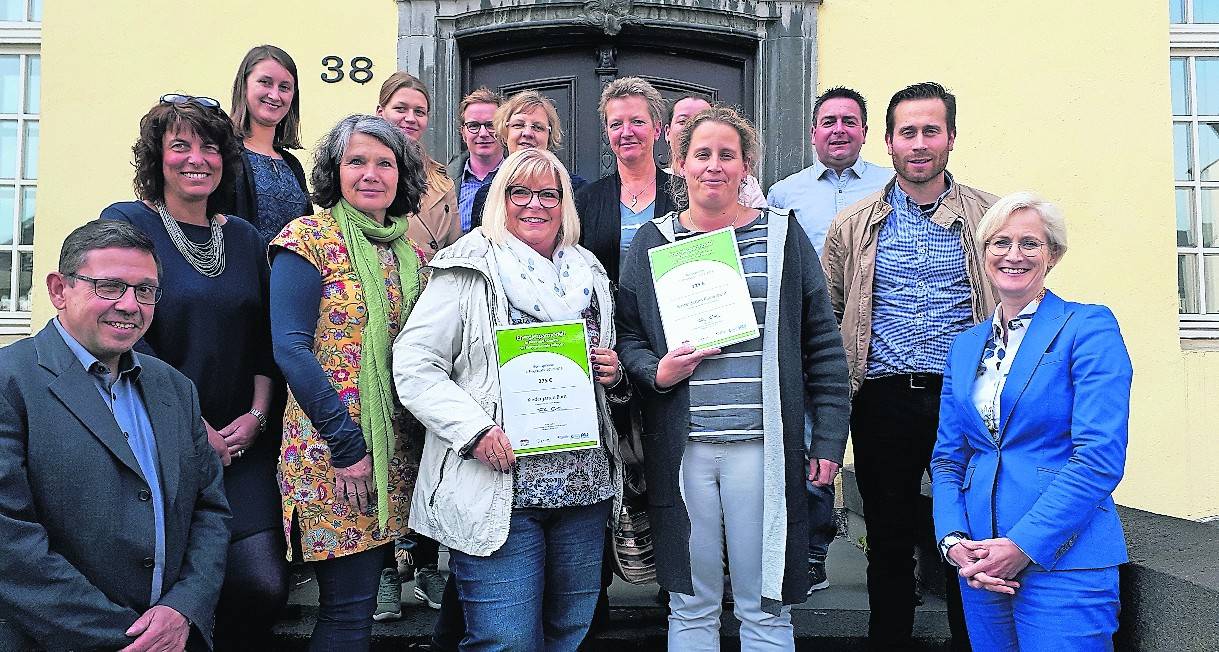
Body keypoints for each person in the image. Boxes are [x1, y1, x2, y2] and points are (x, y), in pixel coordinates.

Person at [615, 106, 850, 650]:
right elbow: (628, 334)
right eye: (702, 155)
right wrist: (657, 370)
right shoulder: (652, 242)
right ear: (679, 164)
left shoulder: (783, 237)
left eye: (728, 155)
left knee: (764, 600)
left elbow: (821, 342)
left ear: (747, 166)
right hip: (685, 448)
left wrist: (830, 437)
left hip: (763, 447)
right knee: (690, 603)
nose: (714, 166)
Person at [393, 147, 627, 651]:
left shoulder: (588, 272)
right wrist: (472, 432)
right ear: (501, 198)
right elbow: (414, 366)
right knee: (506, 642)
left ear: (566, 203)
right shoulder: (468, 267)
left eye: (550, 193)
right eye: (520, 192)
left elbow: (606, 366)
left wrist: (612, 371)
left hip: (583, 490)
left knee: (568, 633)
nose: (535, 205)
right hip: (500, 489)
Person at [100, 94, 286, 649]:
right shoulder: (128, 224)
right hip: (154, 443)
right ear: (157, 157)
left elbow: (262, 341)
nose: (195, 158)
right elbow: (127, 339)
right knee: (158, 585)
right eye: (179, 145)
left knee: (262, 583)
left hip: (238, 446)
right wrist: (192, 424)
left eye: (209, 146)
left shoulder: (247, 239)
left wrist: (255, 415)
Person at [821, 81, 996, 651]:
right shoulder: (853, 224)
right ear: (889, 143)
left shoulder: (989, 216)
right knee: (890, 541)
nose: (919, 143)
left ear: (951, 138)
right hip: (882, 398)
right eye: (907, 133)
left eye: (931, 131)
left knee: (972, 536)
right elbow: (829, 313)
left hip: (969, 399)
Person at [0, 219, 230, 651]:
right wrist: (127, 638)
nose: (130, 304)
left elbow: (210, 512)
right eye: (109, 286)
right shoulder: (10, 382)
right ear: (58, 290)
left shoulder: (176, 389)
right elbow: (9, 545)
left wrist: (183, 609)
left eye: (145, 290)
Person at [932, 191, 1131, 649]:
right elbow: (947, 459)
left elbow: (1099, 457)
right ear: (983, 255)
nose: (1013, 255)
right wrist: (954, 541)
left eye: (1030, 243)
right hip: (981, 566)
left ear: (1053, 255)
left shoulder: (1088, 327)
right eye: (999, 243)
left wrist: (1021, 546)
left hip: (1065, 563)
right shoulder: (965, 346)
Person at [269, 114, 428, 650]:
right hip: (335, 454)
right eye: (356, 161)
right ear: (333, 171)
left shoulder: (408, 253)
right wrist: (346, 445)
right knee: (346, 612)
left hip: (397, 451)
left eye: (385, 162)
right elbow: (290, 348)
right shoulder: (306, 239)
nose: (370, 173)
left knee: (360, 611)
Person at [766, 85, 893, 595]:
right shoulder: (785, 194)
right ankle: (814, 552)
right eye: (828, 122)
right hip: (810, 344)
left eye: (848, 121)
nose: (838, 130)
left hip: (877, 341)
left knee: (884, 457)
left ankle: (894, 554)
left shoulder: (891, 187)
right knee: (812, 448)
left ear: (864, 132)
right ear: (814, 132)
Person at [576, 76, 677, 283]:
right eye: (616, 124)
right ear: (607, 132)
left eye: (637, 122)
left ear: (657, 129)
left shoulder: (683, 194)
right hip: (607, 315)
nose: (626, 132)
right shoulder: (586, 200)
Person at [223, 44, 313, 247]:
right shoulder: (224, 154)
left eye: (284, 87)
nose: (275, 95)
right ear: (244, 86)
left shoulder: (292, 164)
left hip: (289, 277)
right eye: (265, 82)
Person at [377, 71, 462, 262]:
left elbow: (455, 250)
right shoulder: (360, 172)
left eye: (419, 112)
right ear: (380, 113)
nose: (410, 118)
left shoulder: (441, 179)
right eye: (400, 109)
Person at [469, 90, 587, 228]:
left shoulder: (577, 191)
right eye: (518, 125)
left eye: (538, 127)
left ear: (549, 136)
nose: (527, 133)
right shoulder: (485, 195)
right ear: (505, 133)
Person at [661, 94, 766, 209]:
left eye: (703, 119)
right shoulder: (656, 184)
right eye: (683, 121)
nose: (692, 128)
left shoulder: (748, 186)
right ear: (667, 132)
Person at [449, 87, 505, 232]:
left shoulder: (519, 176)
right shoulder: (442, 182)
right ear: (463, 133)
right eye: (473, 126)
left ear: (504, 129)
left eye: (490, 125)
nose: (483, 133)